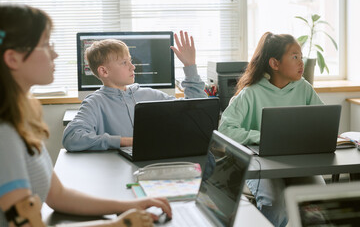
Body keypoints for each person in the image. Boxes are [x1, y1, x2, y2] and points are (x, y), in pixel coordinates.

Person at [0, 4, 171, 227]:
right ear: (13, 58)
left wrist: (127, 205)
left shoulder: (20, 120)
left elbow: (58, 197)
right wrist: (119, 224)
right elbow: (25, 224)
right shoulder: (5, 132)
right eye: (44, 45)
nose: (55, 53)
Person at [218, 32, 325, 227]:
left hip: (295, 161)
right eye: (294, 57)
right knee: (275, 207)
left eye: (301, 57)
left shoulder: (304, 88)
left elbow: (324, 122)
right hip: (260, 163)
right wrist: (263, 137)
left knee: (318, 200)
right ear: (275, 64)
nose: (301, 62)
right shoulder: (251, 93)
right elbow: (225, 130)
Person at [62, 31, 207, 152]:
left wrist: (190, 66)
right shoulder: (95, 103)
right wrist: (124, 141)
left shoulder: (151, 95)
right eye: (124, 63)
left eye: (130, 60)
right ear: (104, 71)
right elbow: (72, 138)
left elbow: (197, 110)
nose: (133, 67)